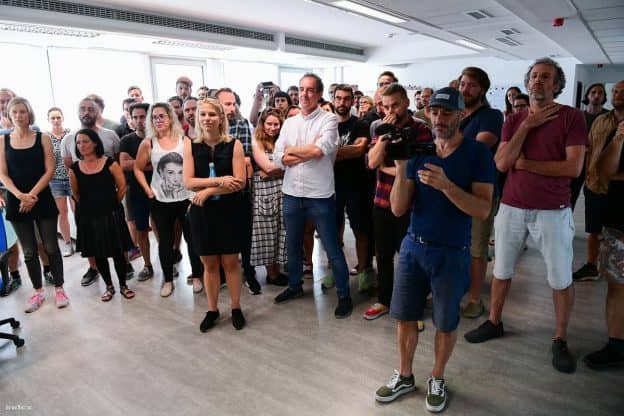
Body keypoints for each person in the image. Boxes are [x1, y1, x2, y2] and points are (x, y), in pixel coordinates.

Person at [375, 87, 494, 413]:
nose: (439, 118)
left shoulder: (477, 153)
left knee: (445, 321)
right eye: (434, 112)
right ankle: (404, 375)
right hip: (413, 247)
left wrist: (446, 186)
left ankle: (437, 377)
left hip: (452, 251)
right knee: (405, 318)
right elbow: (398, 208)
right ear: (427, 114)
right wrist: (402, 167)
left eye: (447, 112)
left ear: (461, 115)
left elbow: (483, 209)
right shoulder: (420, 151)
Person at [464, 58, 587, 374]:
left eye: (546, 77)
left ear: (557, 85)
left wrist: (527, 164)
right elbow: (502, 163)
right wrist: (528, 126)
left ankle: (560, 339)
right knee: (502, 270)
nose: (538, 81)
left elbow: (573, 167)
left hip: (553, 211)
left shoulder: (572, 117)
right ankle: (494, 321)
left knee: (560, 277)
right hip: (512, 206)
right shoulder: (515, 119)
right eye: (534, 76)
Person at [273, 73, 353, 319]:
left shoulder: (329, 120)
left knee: (332, 247)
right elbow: (278, 157)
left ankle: (344, 296)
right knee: (293, 245)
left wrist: (292, 151)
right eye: (301, 89)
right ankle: (295, 286)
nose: (304, 94)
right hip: (291, 194)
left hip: (320, 196)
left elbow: (320, 150)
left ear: (319, 94)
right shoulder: (289, 123)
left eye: (310, 90)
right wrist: (300, 152)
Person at [365, 84, 432, 323]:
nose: (391, 110)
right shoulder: (380, 129)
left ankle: (415, 306)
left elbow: (418, 169)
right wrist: (385, 136)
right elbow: (372, 162)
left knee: (411, 257)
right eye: (386, 106)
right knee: (383, 254)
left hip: (412, 205)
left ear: (406, 102)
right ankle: (384, 299)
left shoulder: (421, 130)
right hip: (382, 200)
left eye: (395, 105)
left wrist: (390, 168)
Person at [183, 98, 247, 331]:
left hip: (230, 211)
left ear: (221, 118)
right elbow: (189, 182)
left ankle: (236, 307)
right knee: (209, 265)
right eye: (203, 114)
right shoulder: (190, 145)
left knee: (230, 262)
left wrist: (209, 190)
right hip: (203, 213)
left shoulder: (234, 144)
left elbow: (239, 182)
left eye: (212, 114)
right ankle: (212, 310)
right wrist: (220, 180)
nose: (207, 119)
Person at [0, 97, 69, 312]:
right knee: (29, 251)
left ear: (29, 113)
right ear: (9, 115)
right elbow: (2, 174)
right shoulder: (3, 141)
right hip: (17, 201)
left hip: (42, 198)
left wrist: (31, 195)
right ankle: (38, 291)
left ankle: (59, 288)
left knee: (51, 246)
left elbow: (50, 170)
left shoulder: (42, 138)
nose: (19, 115)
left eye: (23, 111)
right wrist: (20, 196)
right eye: (15, 112)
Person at [134, 102, 202, 297]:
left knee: (192, 239)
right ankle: (168, 280)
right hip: (160, 200)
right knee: (165, 242)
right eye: (154, 117)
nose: (158, 120)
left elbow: (193, 168)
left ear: (170, 117)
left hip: (185, 199)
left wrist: (194, 192)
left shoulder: (184, 140)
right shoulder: (149, 143)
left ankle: (197, 276)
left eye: (161, 116)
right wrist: (148, 191)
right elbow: (138, 168)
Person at [457, 66, 504, 319]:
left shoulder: (491, 116)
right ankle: (452, 289)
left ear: (482, 89)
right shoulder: (455, 114)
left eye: (472, 85)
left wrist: (449, 149)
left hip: (480, 192)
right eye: (463, 84)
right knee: (454, 242)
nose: (466, 89)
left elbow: (478, 147)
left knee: (477, 247)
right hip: (454, 189)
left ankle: (475, 299)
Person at [62, 96, 123, 286]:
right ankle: (94, 269)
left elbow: (118, 171)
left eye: (91, 109)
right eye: (82, 109)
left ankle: (123, 277)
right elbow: (71, 171)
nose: (86, 112)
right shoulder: (68, 139)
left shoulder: (110, 135)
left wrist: (113, 201)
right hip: (87, 206)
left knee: (116, 243)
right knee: (93, 243)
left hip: (109, 204)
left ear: (99, 111)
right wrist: (84, 203)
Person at [69, 129, 135, 302]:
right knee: (98, 253)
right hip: (88, 216)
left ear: (95, 143)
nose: (81, 145)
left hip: (111, 214)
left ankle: (123, 285)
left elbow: (122, 187)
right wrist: (91, 206)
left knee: (118, 252)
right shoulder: (74, 168)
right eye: (78, 143)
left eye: (85, 141)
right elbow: (76, 194)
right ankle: (109, 286)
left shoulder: (110, 163)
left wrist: (111, 204)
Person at [584, 88, 624, 369]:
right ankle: (617, 345)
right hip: (618, 217)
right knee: (617, 284)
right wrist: (620, 137)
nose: (618, 92)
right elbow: (606, 170)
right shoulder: (614, 127)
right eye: (617, 89)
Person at [573, 81, 624, 282]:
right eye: (616, 91)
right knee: (593, 229)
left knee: (617, 233)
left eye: (622, 91)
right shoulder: (601, 120)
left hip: (619, 188)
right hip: (594, 184)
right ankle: (592, 265)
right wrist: (587, 174)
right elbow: (591, 148)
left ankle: (615, 271)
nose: (618, 94)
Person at [326, 84, 373, 292]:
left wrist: (326, 151)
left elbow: (359, 150)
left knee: (359, 229)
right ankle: (335, 271)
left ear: (352, 101)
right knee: (332, 232)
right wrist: (344, 150)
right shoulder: (326, 124)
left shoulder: (360, 124)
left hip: (356, 185)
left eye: (346, 98)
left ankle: (363, 272)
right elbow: (350, 149)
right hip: (330, 185)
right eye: (338, 98)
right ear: (333, 99)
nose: (342, 102)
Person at [216, 88, 261, 294]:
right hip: (215, 190)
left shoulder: (241, 124)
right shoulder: (206, 127)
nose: (232, 108)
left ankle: (249, 274)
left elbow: (246, 158)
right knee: (220, 233)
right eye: (227, 104)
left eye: (233, 103)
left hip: (239, 188)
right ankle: (222, 274)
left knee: (244, 233)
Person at [250, 109, 288, 286]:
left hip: (283, 191)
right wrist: (283, 169)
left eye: (276, 124)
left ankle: (278, 270)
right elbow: (269, 168)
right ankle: (271, 274)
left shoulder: (284, 141)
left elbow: (273, 170)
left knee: (282, 232)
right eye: (269, 124)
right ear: (262, 124)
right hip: (264, 194)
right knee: (267, 233)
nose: (273, 128)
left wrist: (274, 172)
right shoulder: (257, 142)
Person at [119, 102, 154, 281]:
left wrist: (136, 163)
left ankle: (168, 262)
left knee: (161, 229)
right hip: (136, 192)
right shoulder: (126, 140)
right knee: (141, 230)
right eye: (136, 117)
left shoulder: (158, 138)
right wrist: (147, 162)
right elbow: (124, 164)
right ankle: (147, 265)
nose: (139, 120)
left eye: (143, 116)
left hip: (158, 190)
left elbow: (160, 162)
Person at [571, 83, 610, 211]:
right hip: (579, 161)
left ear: (604, 97)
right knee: (571, 194)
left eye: (600, 93)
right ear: (587, 95)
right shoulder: (578, 116)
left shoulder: (608, 117)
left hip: (597, 162)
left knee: (593, 196)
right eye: (593, 92)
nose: (597, 95)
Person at [46, 107, 73, 257]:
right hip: (55, 180)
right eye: (53, 118)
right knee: (62, 213)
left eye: (58, 117)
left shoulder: (70, 134)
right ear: (49, 120)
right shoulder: (46, 137)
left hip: (72, 177)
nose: (56, 120)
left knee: (78, 211)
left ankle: (84, 241)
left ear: (63, 118)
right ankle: (68, 243)